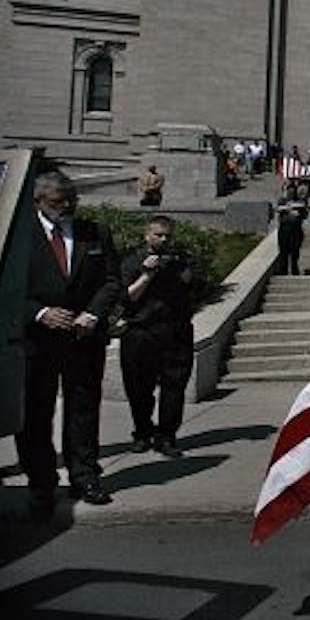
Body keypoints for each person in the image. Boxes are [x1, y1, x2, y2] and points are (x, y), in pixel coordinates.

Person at [21, 171, 121, 515]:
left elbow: (111, 280)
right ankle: (41, 483)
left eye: (72, 200)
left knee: (83, 410)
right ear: (38, 202)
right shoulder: (19, 237)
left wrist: (93, 314)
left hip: (83, 339)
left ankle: (85, 476)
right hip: (37, 343)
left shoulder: (94, 232)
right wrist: (39, 312)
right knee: (36, 414)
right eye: (58, 201)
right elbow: (4, 291)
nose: (67, 206)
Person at [119, 216, 195, 457]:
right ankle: (142, 431)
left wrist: (179, 270)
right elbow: (127, 297)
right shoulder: (132, 262)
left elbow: (194, 286)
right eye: (158, 234)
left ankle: (167, 436)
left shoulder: (180, 260)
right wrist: (146, 274)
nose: (163, 239)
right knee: (138, 387)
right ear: (147, 235)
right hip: (141, 332)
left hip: (175, 331)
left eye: (167, 235)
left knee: (174, 387)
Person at [276, 197, 305, 276]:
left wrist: (290, 209)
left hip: (295, 230)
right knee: (284, 251)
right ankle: (284, 269)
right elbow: (279, 209)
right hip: (285, 230)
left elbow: (303, 213)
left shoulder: (299, 202)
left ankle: (293, 268)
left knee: (294, 251)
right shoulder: (282, 202)